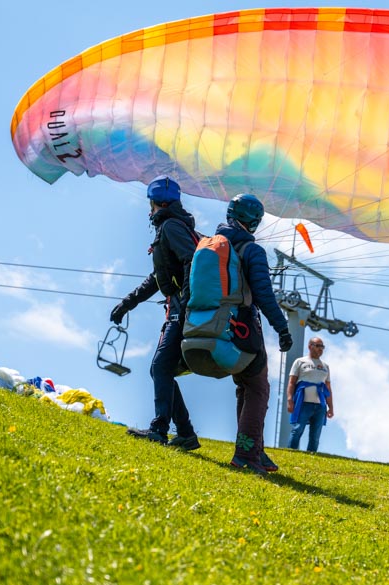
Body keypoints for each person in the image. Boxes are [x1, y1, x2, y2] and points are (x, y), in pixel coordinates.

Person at [109, 176, 201, 451]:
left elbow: (190, 260)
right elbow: (157, 277)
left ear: (159, 204)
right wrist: (128, 303)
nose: (148, 211)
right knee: (163, 369)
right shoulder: (171, 227)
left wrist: (186, 300)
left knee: (160, 367)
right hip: (179, 304)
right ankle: (185, 433)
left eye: (150, 205)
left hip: (181, 306)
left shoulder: (171, 227)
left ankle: (160, 430)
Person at [216, 193, 292, 475]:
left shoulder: (213, 245)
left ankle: (254, 448)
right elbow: (264, 295)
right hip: (245, 328)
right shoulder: (251, 250)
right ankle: (246, 453)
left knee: (245, 387)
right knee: (258, 388)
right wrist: (282, 327)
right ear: (255, 221)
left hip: (217, 324)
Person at [287, 337, 334, 452]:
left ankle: (311, 454)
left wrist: (331, 407)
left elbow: (328, 388)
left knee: (315, 435)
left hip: (320, 406)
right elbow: (292, 383)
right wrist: (290, 400)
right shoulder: (300, 362)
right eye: (318, 346)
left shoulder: (325, 366)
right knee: (297, 429)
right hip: (303, 403)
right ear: (310, 346)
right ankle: (291, 452)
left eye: (322, 347)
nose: (320, 349)